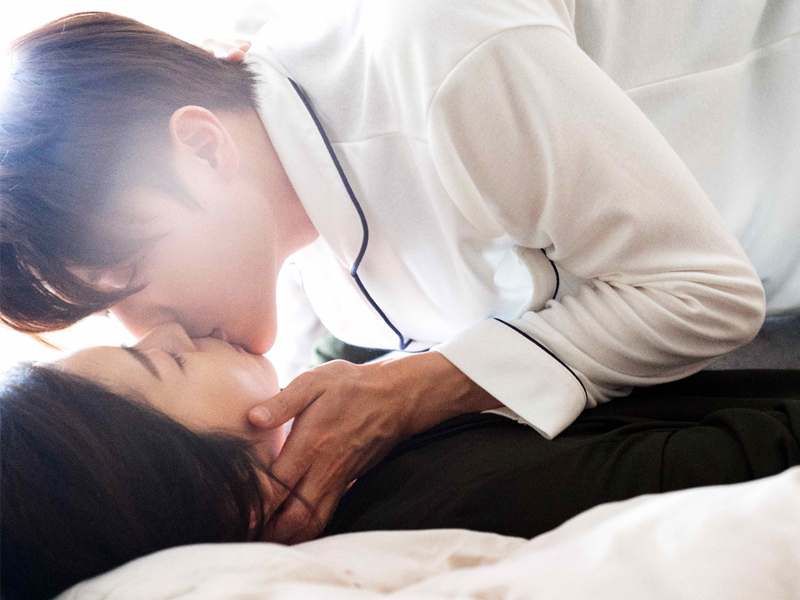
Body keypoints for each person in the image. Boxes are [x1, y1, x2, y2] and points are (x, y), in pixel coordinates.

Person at [0, 8, 771, 542]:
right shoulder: (287, 248)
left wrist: (421, 389)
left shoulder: (437, 52)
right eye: (103, 310)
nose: (151, 329)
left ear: (202, 151)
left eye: (130, 275)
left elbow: (708, 295)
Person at [3, 323, 800, 599]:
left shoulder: (343, 384)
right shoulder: (466, 497)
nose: (170, 329)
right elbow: (761, 454)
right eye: (162, 363)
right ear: (230, 494)